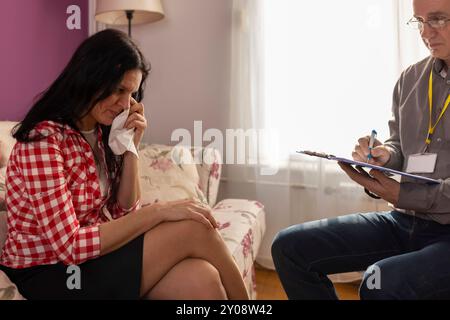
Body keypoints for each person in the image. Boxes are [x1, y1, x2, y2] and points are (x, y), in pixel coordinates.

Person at [0, 29, 249, 300]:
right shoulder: (42, 140)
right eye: (119, 90)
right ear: (90, 77)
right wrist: (160, 212)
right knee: (195, 228)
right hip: (52, 274)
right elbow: (70, 246)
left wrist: (131, 147)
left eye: (131, 93)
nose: (125, 104)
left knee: (202, 278)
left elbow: (124, 210)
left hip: (93, 260)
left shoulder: (99, 132)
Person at [272, 0, 450, 300]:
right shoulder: (410, 79)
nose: (425, 32)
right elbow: (400, 145)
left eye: (437, 19)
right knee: (288, 248)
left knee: (377, 283)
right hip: (406, 219)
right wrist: (383, 154)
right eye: (418, 21)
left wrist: (402, 194)